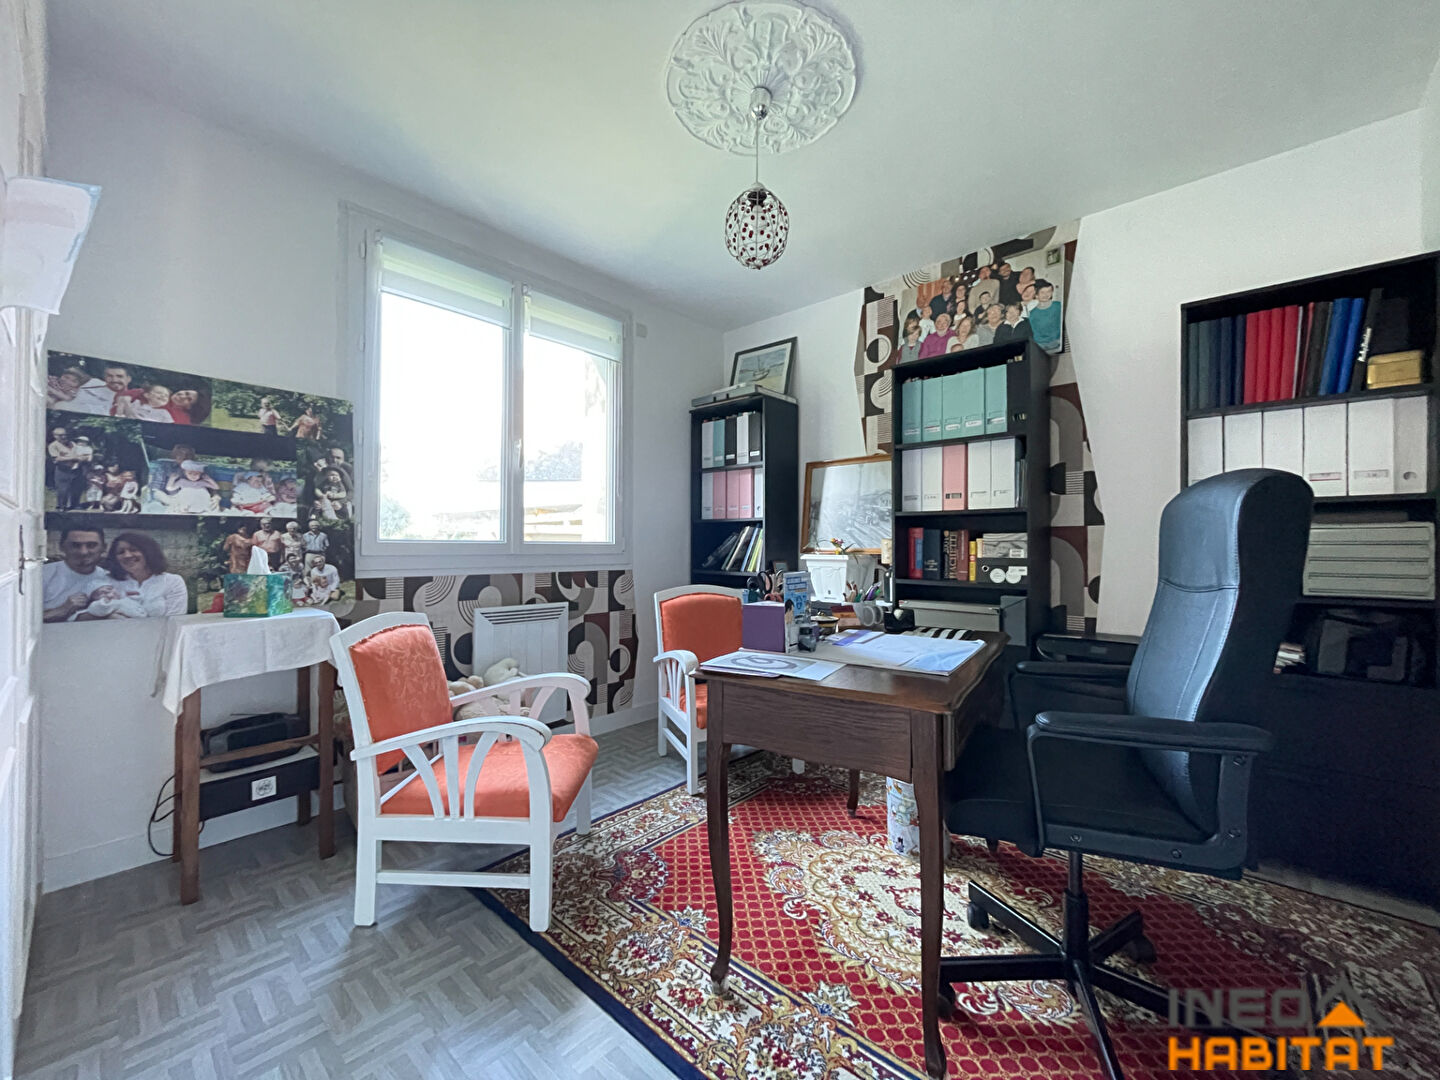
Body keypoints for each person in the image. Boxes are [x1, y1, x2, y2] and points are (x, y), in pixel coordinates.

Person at [76, 531, 188, 619]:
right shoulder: (104, 582)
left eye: (134, 550)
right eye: (121, 552)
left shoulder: (172, 582)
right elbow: (76, 617)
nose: (127, 555)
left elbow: (175, 620)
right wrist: (108, 617)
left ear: (148, 552)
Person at [42, 526, 108, 622]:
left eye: (91, 545)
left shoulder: (109, 578)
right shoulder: (42, 574)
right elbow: (24, 618)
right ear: (62, 547)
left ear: (104, 548)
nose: (83, 552)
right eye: (75, 545)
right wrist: (63, 609)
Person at [47, 427, 84, 510]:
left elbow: (80, 453)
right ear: (55, 436)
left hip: (76, 469)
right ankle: (61, 506)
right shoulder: (53, 446)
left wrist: (81, 458)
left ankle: (75, 505)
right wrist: (73, 458)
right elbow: (57, 459)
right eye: (61, 435)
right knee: (62, 489)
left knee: (76, 487)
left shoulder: (72, 443)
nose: (64, 437)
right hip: (62, 470)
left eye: (65, 435)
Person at [1027, 279, 1063, 352]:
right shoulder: (1033, 312)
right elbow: (1034, 331)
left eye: (1049, 291)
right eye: (1042, 292)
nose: (1046, 295)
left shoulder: (1058, 306)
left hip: (1057, 342)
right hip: (1040, 344)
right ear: (1036, 295)